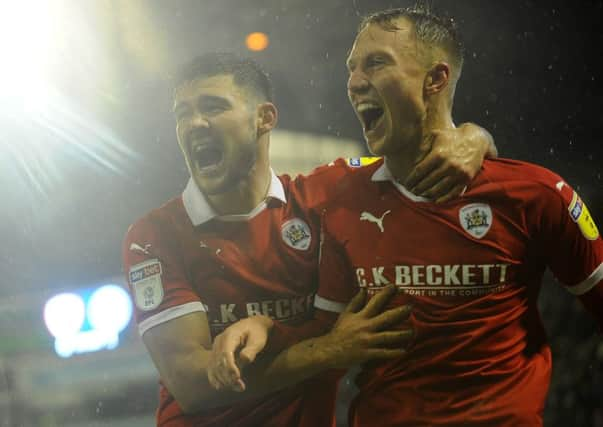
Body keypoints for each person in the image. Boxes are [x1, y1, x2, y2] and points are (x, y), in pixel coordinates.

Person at [209, 6, 603, 427]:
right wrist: (264, 326)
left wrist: (478, 136)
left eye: (376, 63)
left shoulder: (536, 195)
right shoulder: (337, 194)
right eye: (352, 68)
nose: (355, 82)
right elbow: (327, 330)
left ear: (435, 79)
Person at [122, 52, 495, 426]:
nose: (194, 123)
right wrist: (329, 350)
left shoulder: (326, 197)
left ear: (264, 118)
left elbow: (423, 159)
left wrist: (476, 137)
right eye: (181, 113)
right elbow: (192, 385)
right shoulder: (152, 237)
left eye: (213, 107)